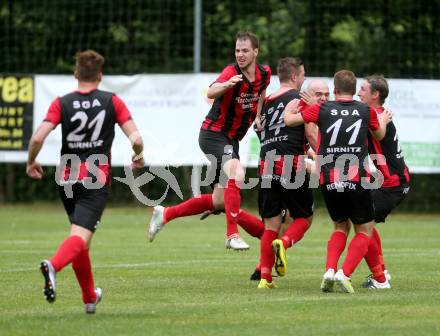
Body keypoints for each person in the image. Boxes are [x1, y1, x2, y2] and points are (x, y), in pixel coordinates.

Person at [26, 50, 144, 313]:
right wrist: (138, 155)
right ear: (100, 76)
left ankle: (90, 298)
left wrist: (31, 161)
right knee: (80, 237)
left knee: (80, 239)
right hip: (94, 179)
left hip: (66, 178)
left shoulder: (61, 102)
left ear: (76, 74)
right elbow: (135, 138)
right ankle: (53, 266)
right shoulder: (112, 101)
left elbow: (37, 138)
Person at [148, 32, 270, 250]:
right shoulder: (231, 72)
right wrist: (227, 85)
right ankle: (232, 235)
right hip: (213, 134)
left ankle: (165, 214)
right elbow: (212, 91)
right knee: (237, 172)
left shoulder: (264, 73)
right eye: (237, 50)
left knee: (219, 201)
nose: (240, 55)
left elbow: (262, 93)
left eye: (244, 50)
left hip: (231, 140)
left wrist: (259, 115)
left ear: (255, 52)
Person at [284, 70, 391, 293]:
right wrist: (381, 120)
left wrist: (289, 109)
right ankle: (345, 273)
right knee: (364, 231)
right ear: (354, 90)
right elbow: (379, 135)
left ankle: (329, 270)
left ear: (334, 90)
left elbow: (290, 121)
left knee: (340, 227)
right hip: (357, 179)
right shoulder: (365, 110)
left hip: (329, 179)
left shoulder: (322, 108)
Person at [255, 57, 315, 289]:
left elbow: (259, 131)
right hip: (291, 163)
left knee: (270, 223)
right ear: (294, 77)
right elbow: (309, 133)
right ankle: (284, 242)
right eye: (302, 74)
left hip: (266, 164)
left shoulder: (266, 101)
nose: (304, 78)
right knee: (304, 217)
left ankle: (265, 279)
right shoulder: (298, 99)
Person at [357, 74, 410, 288]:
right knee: (363, 221)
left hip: (392, 184)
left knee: (362, 222)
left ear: (375, 94)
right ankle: (381, 273)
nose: (358, 92)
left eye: (362, 89)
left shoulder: (375, 116)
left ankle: (380, 277)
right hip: (388, 182)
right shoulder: (377, 114)